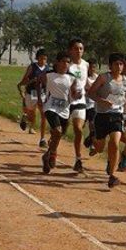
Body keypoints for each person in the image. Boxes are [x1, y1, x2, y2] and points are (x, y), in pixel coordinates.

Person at [87, 53, 126, 188]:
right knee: (99, 148)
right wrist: (101, 100)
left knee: (115, 143)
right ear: (110, 65)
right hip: (102, 115)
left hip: (117, 115)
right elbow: (90, 93)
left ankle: (112, 175)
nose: (119, 66)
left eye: (121, 64)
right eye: (116, 64)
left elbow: (121, 95)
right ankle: (93, 138)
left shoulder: (124, 80)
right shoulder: (103, 78)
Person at [41, 52, 79, 174]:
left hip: (64, 109)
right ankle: (52, 154)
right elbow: (38, 83)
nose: (65, 64)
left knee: (58, 135)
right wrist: (40, 98)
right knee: (57, 131)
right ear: (57, 62)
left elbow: (73, 94)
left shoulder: (71, 78)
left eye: (68, 62)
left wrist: (77, 95)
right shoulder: (48, 75)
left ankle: (47, 155)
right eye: (63, 61)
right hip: (50, 107)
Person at [18, 49, 50, 147]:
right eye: (41, 58)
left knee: (44, 115)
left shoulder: (47, 68)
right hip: (31, 93)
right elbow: (24, 81)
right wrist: (32, 80)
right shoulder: (32, 67)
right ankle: (25, 117)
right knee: (31, 116)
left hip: (42, 94)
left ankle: (42, 139)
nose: (43, 61)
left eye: (45, 59)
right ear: (37, 58)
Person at [66, 39, 90, 173]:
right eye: (76, 48)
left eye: (81, 49)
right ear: (70, 50)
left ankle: (78, 159)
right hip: (66, 102)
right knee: (60, 131)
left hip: (80, 102)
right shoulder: (66, 65)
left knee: (78, 129)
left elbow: (86, 83)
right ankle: (52, 152)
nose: (79, 51)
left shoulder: (86, 65)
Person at [83, 60, 99, 155]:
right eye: (89, 67)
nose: (91, 69)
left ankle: (92, 144)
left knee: (92, 124)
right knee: (81, 126)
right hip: (83, 104)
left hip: (93, 105)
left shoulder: (97, 77)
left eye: (93, 67)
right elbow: (89, 88)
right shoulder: (84, 77)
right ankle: (88, 138)